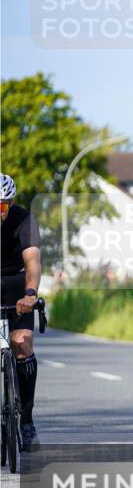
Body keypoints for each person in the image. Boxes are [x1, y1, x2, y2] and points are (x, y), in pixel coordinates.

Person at [0, 174, 42, 452]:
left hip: (15, 283)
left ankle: (26, 420)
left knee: (22, 345)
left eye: (2, 206)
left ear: (11, 203)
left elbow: (33, 262)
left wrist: (30, 294)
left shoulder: (24, 220)